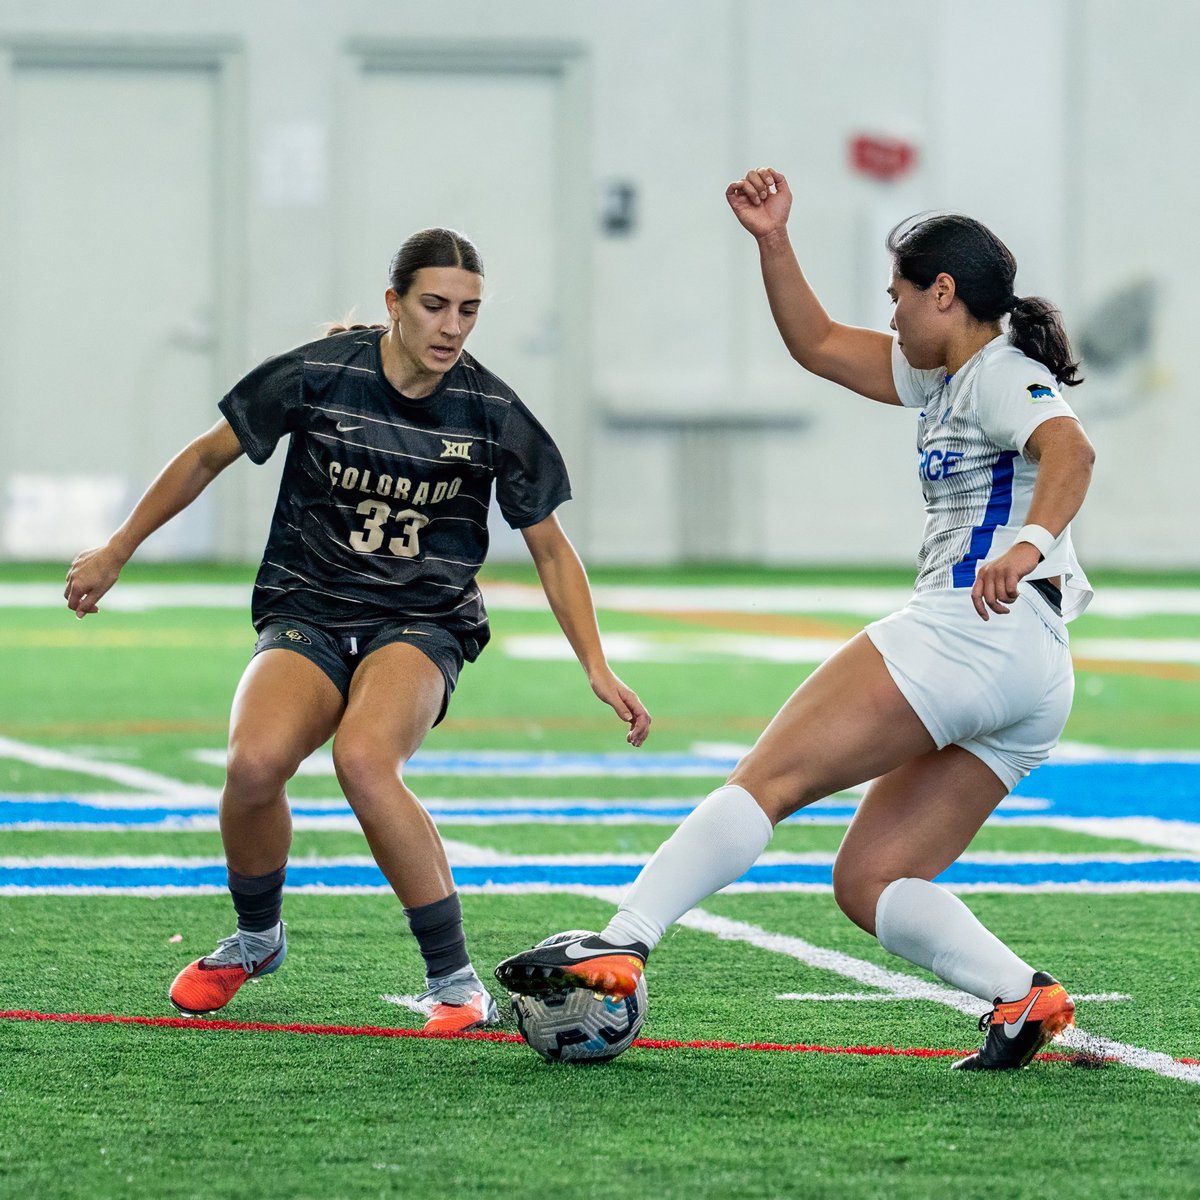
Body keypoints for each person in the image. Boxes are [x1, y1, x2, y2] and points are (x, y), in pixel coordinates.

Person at [497, 168, 1095, 1070]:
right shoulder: (946, 377)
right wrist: (774, 241)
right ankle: (1024, 997)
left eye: (898, 296)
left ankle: (624, 937)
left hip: (973, 629)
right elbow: (815, 342)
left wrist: (1030, 541)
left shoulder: (1001, 373)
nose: (889, 315)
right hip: (1035, 669)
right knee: (870, 880)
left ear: (945, 292)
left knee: (765, 779)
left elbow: (1072, 448)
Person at [65, 227, 650, 1032]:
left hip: (422, 619)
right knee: (253, 763)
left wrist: (596, 664)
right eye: (436, 306)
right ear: (394, 304)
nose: (452, 327)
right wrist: (116, 550)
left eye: (469, 312)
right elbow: (207, 456)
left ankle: (454, 981)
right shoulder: (318, 374)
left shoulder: (491, 411)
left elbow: (550, 549)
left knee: (365, 761)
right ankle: (255, 938)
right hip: (308, 606)